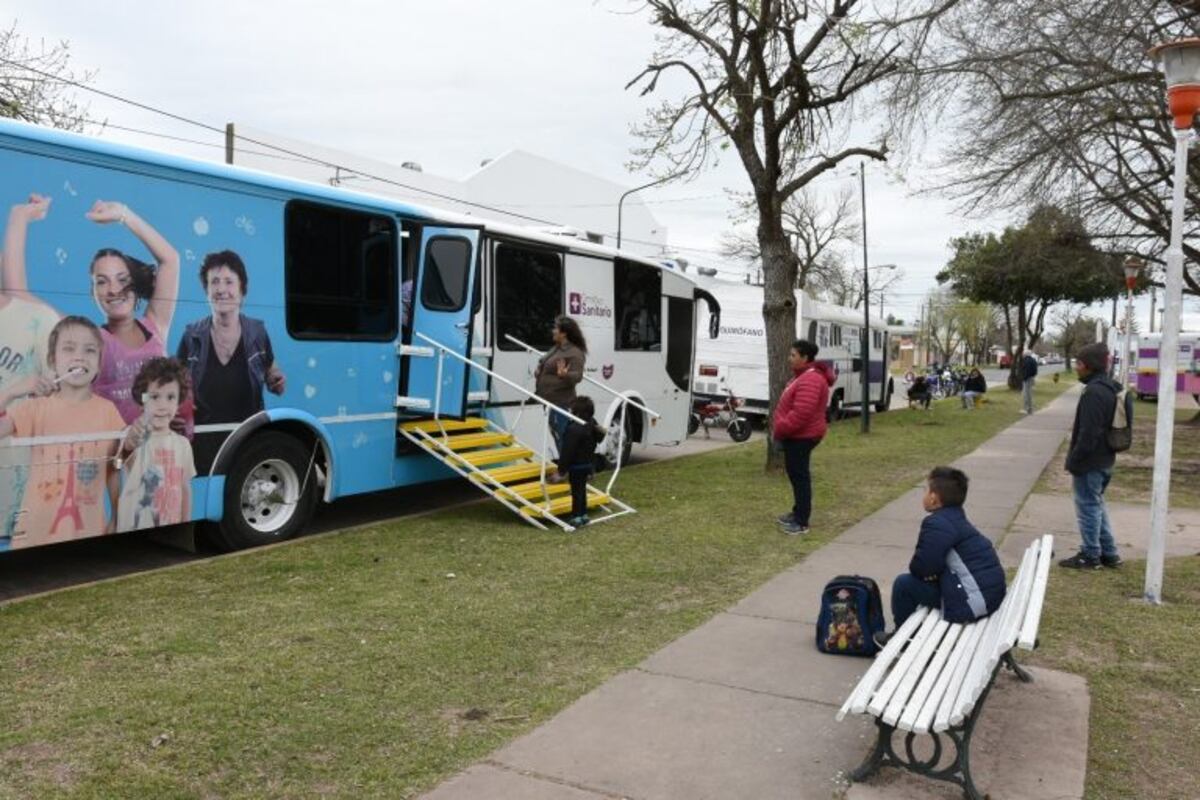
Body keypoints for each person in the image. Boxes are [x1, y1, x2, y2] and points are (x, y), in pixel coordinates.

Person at [2, 194, 182, 426]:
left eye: (122, 279)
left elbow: (171, 260)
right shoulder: (90, 338)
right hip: (110, 447)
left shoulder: (155, 325)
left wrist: (123, 215)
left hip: (158, 445)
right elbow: (18, 293)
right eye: (102, 282)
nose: (113, 289)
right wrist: (19, 218)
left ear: (135, 283)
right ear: (93, 292)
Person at [0, 316, 126, 545]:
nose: (79, 356)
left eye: (89, 350)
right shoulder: (34, 408)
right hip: (34, 534)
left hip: (89, 530)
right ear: (52, 360)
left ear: (99, 364)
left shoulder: (108, 412)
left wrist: (117, 517)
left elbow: (114, 469)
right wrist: (11, 393)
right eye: (69, 348)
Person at [873, 467, 1007, 648]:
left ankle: (902, 641)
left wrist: (929, 572)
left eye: (925, 490)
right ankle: (909, 635)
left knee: (903, 585)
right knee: (917, 582)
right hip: (988, 596)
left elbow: (922, 567)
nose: (924, 495)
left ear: (934, 498)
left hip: (972, 602)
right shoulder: (956, 518)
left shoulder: (937, 523)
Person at [176, 250, 286, 471]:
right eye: (214, 282)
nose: (221, 289)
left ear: (242, 290)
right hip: (201, 441)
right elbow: (174, 382)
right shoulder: (191, 335)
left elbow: (271, 371)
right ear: (207, 290)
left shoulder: (257, 332)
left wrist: (276, 380)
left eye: (229, 281)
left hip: (248, 438)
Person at [1059, 343, 1123, 570]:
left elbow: (1089, 432)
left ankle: (1090, 554)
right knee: (1097, 505)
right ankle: (1109, 553)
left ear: (1089, 365)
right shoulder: (1110, 388)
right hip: (1105, 458)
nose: (1076, 367)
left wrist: (1074, 460)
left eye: (1079, 363)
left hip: (1091, 461)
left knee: (1088, 507)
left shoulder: (1094, 392)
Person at [117, 357, 196, 531]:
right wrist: (131, 440)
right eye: (154, 397)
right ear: (142, 401)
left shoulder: (183, 444)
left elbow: (185, 488)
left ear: (178, 403)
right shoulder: (134, 435)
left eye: (170, 397)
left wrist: (186, 523)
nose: (162, 406)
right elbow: (124, 453)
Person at [772, 339, 836, 535]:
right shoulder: (803, 376)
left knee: (800, 476)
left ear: (805, 357)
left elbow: (802, 413)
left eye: (793, 355)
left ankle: (801, 522)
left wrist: (781, 428)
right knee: (796, 474)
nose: (789, 358)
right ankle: (797, 512)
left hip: (803, 436)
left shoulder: (811, 379)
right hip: (798, 435)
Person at [534, 315, 586, 450]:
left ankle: (566, 464)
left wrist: (565, 374)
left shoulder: (575, 353)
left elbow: (578, 376)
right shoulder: (557, 348)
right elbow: (546, 364)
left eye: (556, 328)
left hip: (561, 403)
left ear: (564, 333)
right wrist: (539, 371)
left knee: (562, 436)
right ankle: (565, 462)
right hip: (549, 401)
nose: (553, 331)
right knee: (557, 435)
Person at [553, 395, 606, 529]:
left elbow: (567, 451)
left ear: (576, 412)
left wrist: (561, 470)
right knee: (582, 489)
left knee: (576, 491)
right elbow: (600, 437)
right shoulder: (592, 423)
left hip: (576, 466)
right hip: (588, 463)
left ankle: (576, 516)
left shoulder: (573, 429)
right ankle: (583, 514)